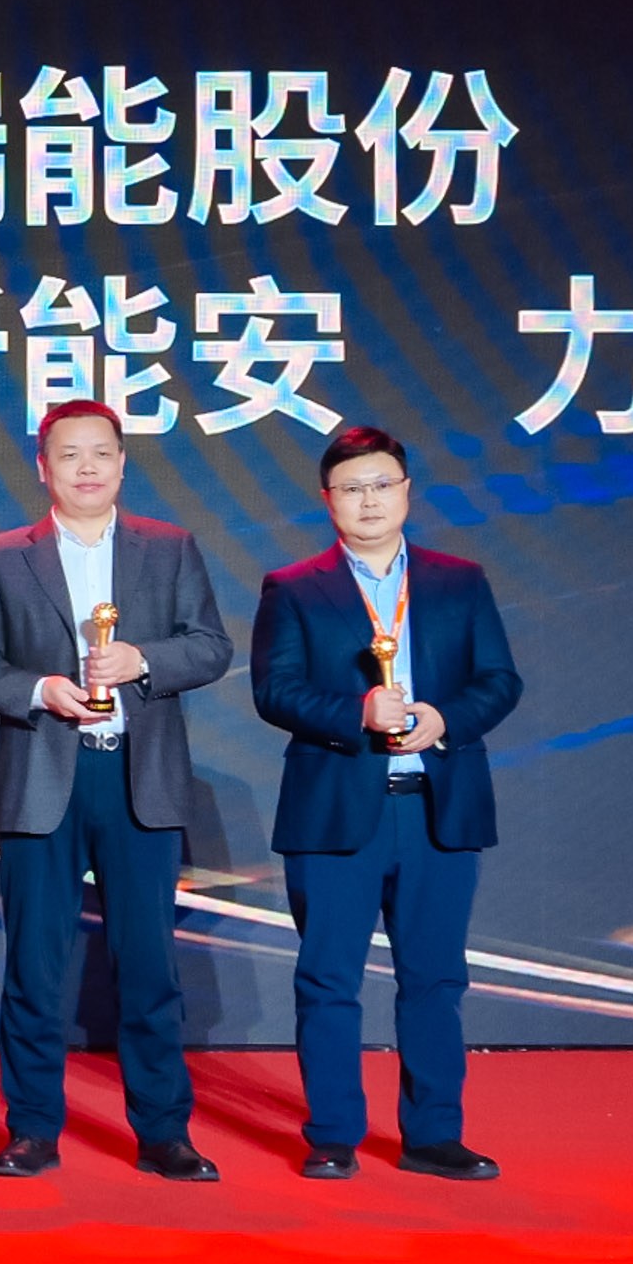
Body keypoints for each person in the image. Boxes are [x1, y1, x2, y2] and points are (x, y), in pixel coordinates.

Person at [0, 401, 237, 1182]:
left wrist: (143, 660)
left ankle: (164, 1131)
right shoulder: (4, 556)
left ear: (122, 462)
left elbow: (211, 645)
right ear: (43, 466)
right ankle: (32, 1128)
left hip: (140, 777)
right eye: (69, 454)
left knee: (149, 964)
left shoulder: (168, 547)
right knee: (34, 965)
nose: (86, 467)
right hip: (44, 772)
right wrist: (40, 688)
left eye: (101, 452)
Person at [256, 424, 522, 1182]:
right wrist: (358, 713)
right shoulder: (294, 587)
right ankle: (333, 1133)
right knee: (328, 979)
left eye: (381, 485)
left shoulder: (458, 581)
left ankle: (433, 1134)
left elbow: (500, 680)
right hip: (335, 809)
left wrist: (446, 719)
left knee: (436, 978)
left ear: (406, 491)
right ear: (327, 499)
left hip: (438, 805)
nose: (368, 500)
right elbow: (274, 690)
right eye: (352, 488)